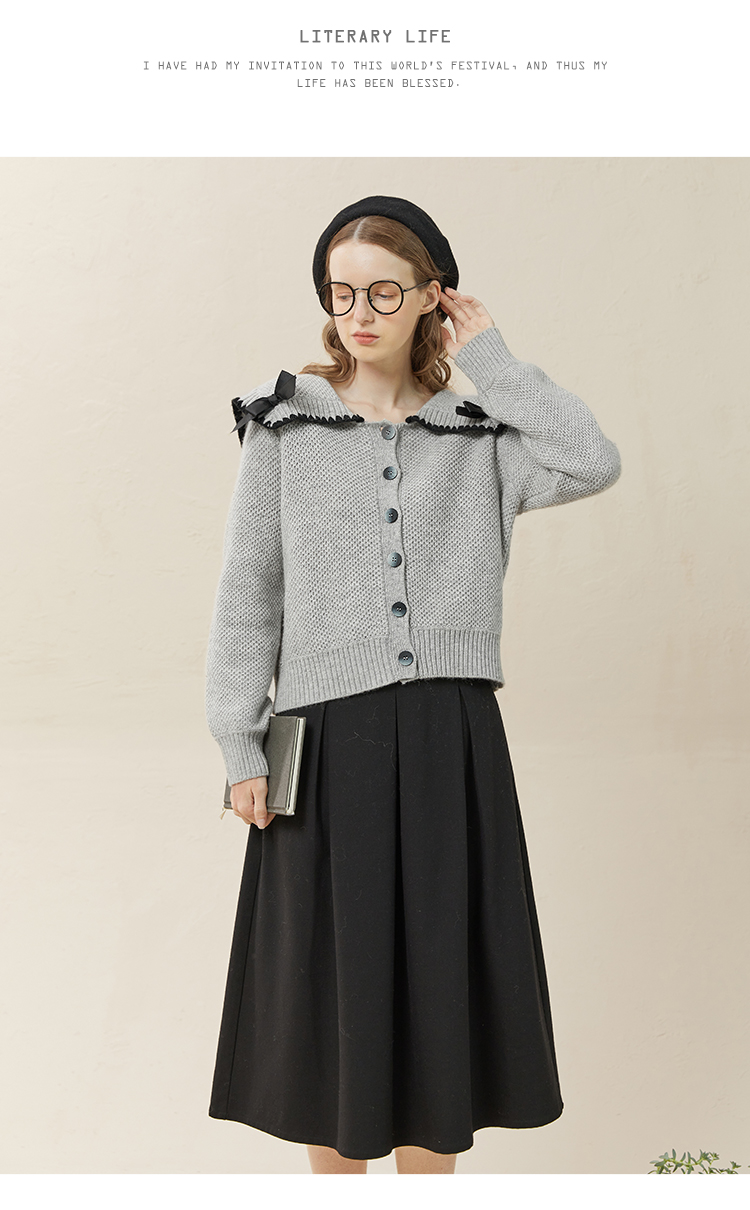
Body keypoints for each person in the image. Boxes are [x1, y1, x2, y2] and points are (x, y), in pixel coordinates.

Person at [205, 195, 621, 1175]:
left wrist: (496, 362)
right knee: (328, 995)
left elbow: (591, 459)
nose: (360, 312)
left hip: (450, 738)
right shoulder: (284, 427)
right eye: (341, 292)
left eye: (385, 291)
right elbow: (247, 594)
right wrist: (239, 742)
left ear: (434, 296)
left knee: (440, 986)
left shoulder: (479, 435)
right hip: (320, 742)